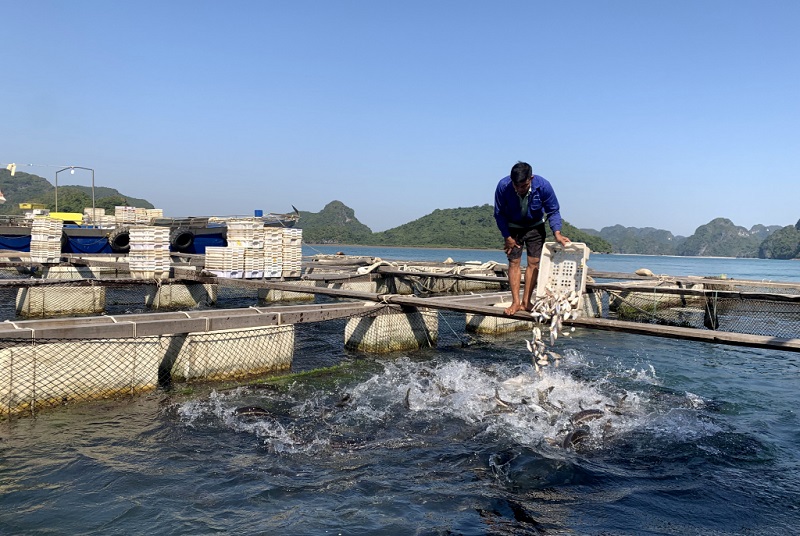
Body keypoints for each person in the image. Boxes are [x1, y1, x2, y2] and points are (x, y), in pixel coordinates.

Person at [494, 161, 570, 315]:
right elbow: (499, 213)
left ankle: (526, 301)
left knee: (534, 263)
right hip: (513, 226)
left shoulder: (543, 186)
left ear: (531, 178)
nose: (520, 189)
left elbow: (553, 210)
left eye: (523, 185)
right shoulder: (503, 186)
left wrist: (557, 232)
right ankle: (515, 303)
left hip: (535, 226)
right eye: (517, 186)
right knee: (514, 262)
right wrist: (507, 236)